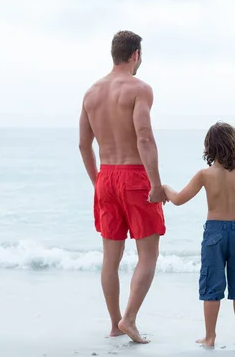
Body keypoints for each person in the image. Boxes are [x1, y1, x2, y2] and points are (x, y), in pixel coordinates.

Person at [78, 30, 167, 344]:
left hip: (106, 176)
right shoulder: (140, 89)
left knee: (110, 258)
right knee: (148, 255)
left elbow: (83, 145)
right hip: (134, 176)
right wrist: (155, 184)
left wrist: (97, 182)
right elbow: (144, 138)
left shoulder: (91, 93)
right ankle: (129, 318)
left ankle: (115, 324)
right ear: (136, 55)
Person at [162, 122, 235, 348]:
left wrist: (165, 188)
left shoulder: (205, 175)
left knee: (211, 285)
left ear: (209, 147)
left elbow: (178, 199)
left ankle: (210, 337)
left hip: (214, 231)